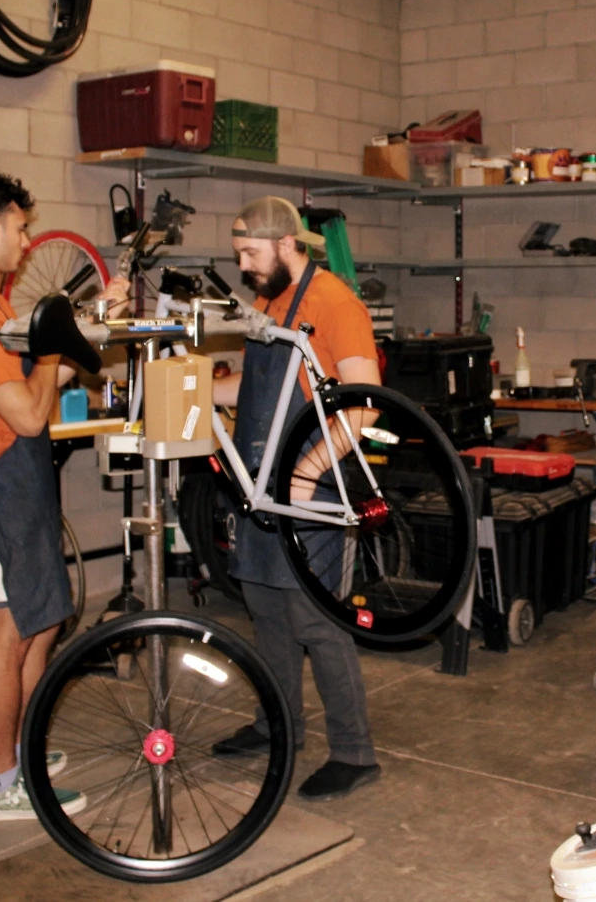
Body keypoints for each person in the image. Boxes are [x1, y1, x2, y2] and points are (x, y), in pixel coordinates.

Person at [0, 171, 129, 822]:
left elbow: (46, 373)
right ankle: (0, 783)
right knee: (9, 629)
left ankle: (22, 750)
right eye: (19, 229)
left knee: (41, 621)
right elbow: (26, 412)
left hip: (19, 484)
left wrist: (91, 326)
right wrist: (51, 350)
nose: (25, 241)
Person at [209, 196, 383, 801]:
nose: (243, 267)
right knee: (266, 608)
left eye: (250, 254)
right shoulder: (268, 302)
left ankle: (354, 753)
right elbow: (257, 385)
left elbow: (364, 402)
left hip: (313, 478)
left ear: (286, 244)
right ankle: (277, 724)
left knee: (316, 619)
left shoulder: (335, 303)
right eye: (238, 255)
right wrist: (192, 388)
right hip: (259, 478)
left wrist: (308, 472)